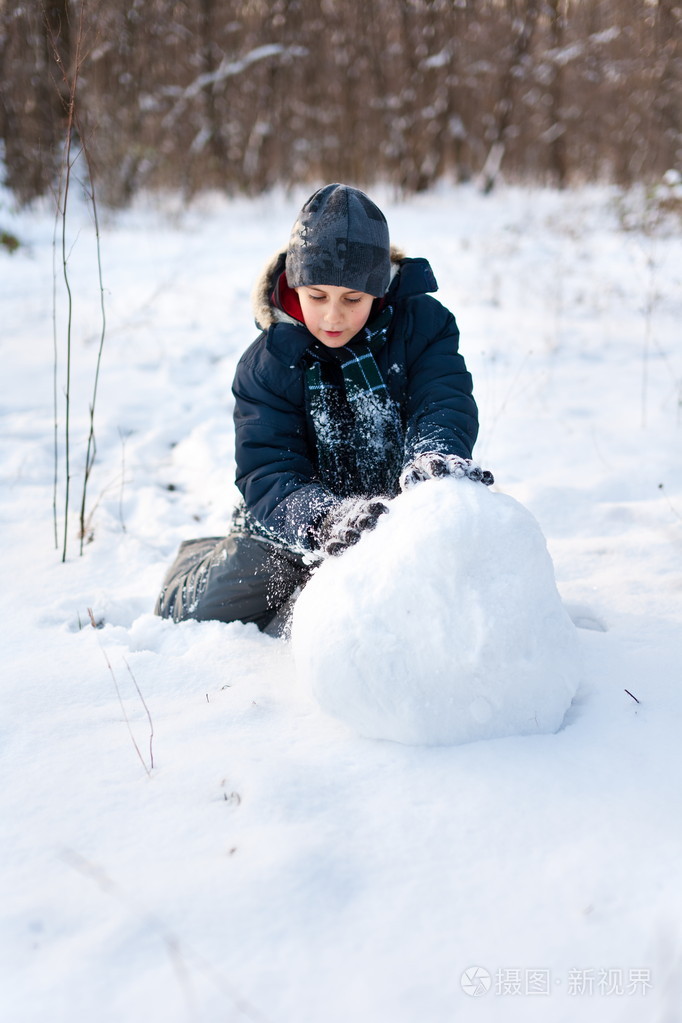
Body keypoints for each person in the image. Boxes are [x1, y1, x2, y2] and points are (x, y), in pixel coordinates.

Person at [155, 183, 492, 634]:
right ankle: (198, 560)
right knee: (203, 612)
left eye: (352, 299)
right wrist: (323, 519)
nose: (333, 317)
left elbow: (443, 400)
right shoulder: (268, 363)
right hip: (295, 522)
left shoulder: (423, 326)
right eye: (316, 297)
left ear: (379, 290)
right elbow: (268, 468)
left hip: (398, 514)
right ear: (295, 285)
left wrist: (436, 457)